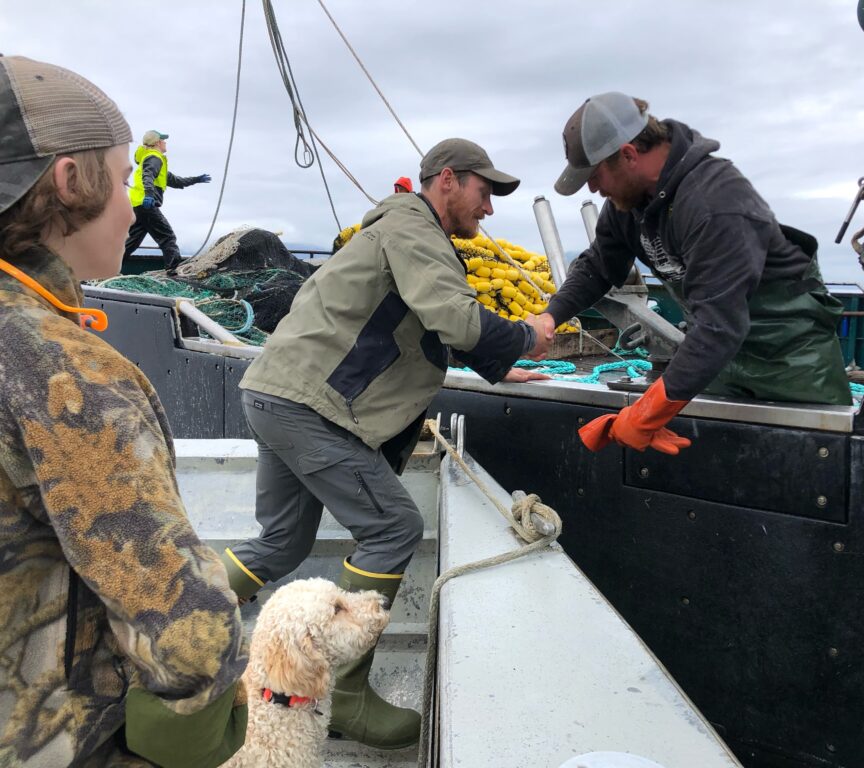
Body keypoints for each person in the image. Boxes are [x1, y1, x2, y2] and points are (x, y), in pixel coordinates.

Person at [219, 138, 548, 749]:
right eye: (485, 192)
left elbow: (422, 324)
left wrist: (498, 367)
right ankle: (344, 695)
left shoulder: (400, 228)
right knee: (394, 528)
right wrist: (527, 335)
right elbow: (453, 315)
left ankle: (176, 629)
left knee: (281, 541)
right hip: (309, 407)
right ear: (447, 179)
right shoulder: (412, 225)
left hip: (273, 393)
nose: (491, 209)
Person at [0, 55, 247, 767]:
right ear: (70, 181)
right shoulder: (62, 369)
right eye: (119, 176)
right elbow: (190, 639)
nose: (132, 205)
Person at [534, 91, 852, 455]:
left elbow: (720, 326)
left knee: (808, 467)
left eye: (595, 174)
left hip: (791, 362)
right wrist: (551, 315)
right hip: (716, 362)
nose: (592, 188)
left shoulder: (713, 202)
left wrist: (644, 416)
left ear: (628, 154)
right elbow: (598, 265)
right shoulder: (627, 203)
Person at [123, 129, 210, 272]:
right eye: (163, 140)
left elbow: (175, 181)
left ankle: (105, 270)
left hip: (138, 206)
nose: (165, 142)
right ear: (157, 142)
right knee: (168, 237)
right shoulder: (154, 158)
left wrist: (196, 179)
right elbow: (148, 175)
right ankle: (172, 271)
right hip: (147, 204)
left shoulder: (151, 159)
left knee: (131, 242)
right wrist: (149, 195)